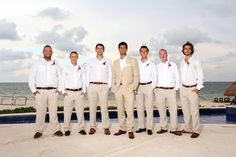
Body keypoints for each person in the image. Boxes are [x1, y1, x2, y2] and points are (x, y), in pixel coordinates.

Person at [28, 45, 63, 139]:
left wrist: (58, 90)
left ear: (52, 52)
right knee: (40, 112)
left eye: (50, 51)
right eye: (46, 51)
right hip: (40, 92)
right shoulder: (37, 63)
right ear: (43, 52)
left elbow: (61, 78)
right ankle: (39, 130)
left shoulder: (56, 64)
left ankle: (56, 129)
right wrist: (34, 91)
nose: (48, 52)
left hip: (53, 91)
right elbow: (31, 77)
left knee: (53, 112)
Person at [112, 41, 139, 139]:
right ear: (118, 49)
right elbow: (113, 77)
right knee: (120, 110)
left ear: (126, 49)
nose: (122, 49)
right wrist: (114, 87)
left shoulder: (132, 60)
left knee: (130, 110)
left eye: (124, 48)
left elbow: (136, 77)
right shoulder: (115, 62)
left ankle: (130, 129)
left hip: (129, 89)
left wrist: (132, 88)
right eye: (120, 48)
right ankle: (122, 128)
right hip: (118, 89)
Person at [154, 49, 182, 136]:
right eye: (161, 54)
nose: (162, 55)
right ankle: (163, 127)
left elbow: (178, 76)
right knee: (161, 110)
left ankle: (174, 128)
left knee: (173, 110)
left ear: (167, 55)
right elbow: (154, 78)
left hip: (171, 90)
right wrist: (155, 89)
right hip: (159, 90)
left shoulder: (173, 65)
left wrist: (176, 88)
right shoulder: (157, 66)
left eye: (164, 54)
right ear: (159, 56)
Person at [86, 43, 112, 135]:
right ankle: (92, 127)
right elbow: (87, 74)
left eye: (101, 48)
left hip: (103, 86)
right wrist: (87, 86)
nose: (99, 50)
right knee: (92, 108)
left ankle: (106, 127)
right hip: (92, 86)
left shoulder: (108, 61)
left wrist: (108, 86)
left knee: (104, 107)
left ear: (103, 50)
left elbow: (110, 73)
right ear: (96, 50)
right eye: (98, 48)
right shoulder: (90, 61)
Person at [180, 41, 204, 138]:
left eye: (189, 49)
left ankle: (196, 130)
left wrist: (198, 88)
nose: (187, 50)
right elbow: (181, 75)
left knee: (194, 111)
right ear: (183, 50)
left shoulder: (196, 61)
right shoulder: (181, 61)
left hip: (192, 89)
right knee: (185, 111)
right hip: (183, 89)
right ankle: (187, 128)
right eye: (185, 48)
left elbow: (201, 75)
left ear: (192, 50)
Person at [61, 51, 87, 136]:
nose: (74, 58)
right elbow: (62, 80)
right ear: (70, 57)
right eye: (72, 56)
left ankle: (81, 128)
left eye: (75, 56)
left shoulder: (81, 68)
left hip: (79, 93)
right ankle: (67, 129)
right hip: (68, 93)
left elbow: (84, 80)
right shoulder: (66, 68)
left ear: (77, 57)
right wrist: (64, 92)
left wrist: (83, 91)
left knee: (80, 111)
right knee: (67, 112)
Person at [135, 45, 157, 135]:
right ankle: (141, 127)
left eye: (145, 51)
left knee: (149, 108)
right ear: (140, 52)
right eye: (142, 51)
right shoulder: (137, 63)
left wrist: (153, 87)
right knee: (139, 107)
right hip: (139, 87)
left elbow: (155, 76)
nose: (143, 52)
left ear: (147, 52)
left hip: (149, 86)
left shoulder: (152, 63)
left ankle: (149, 127)